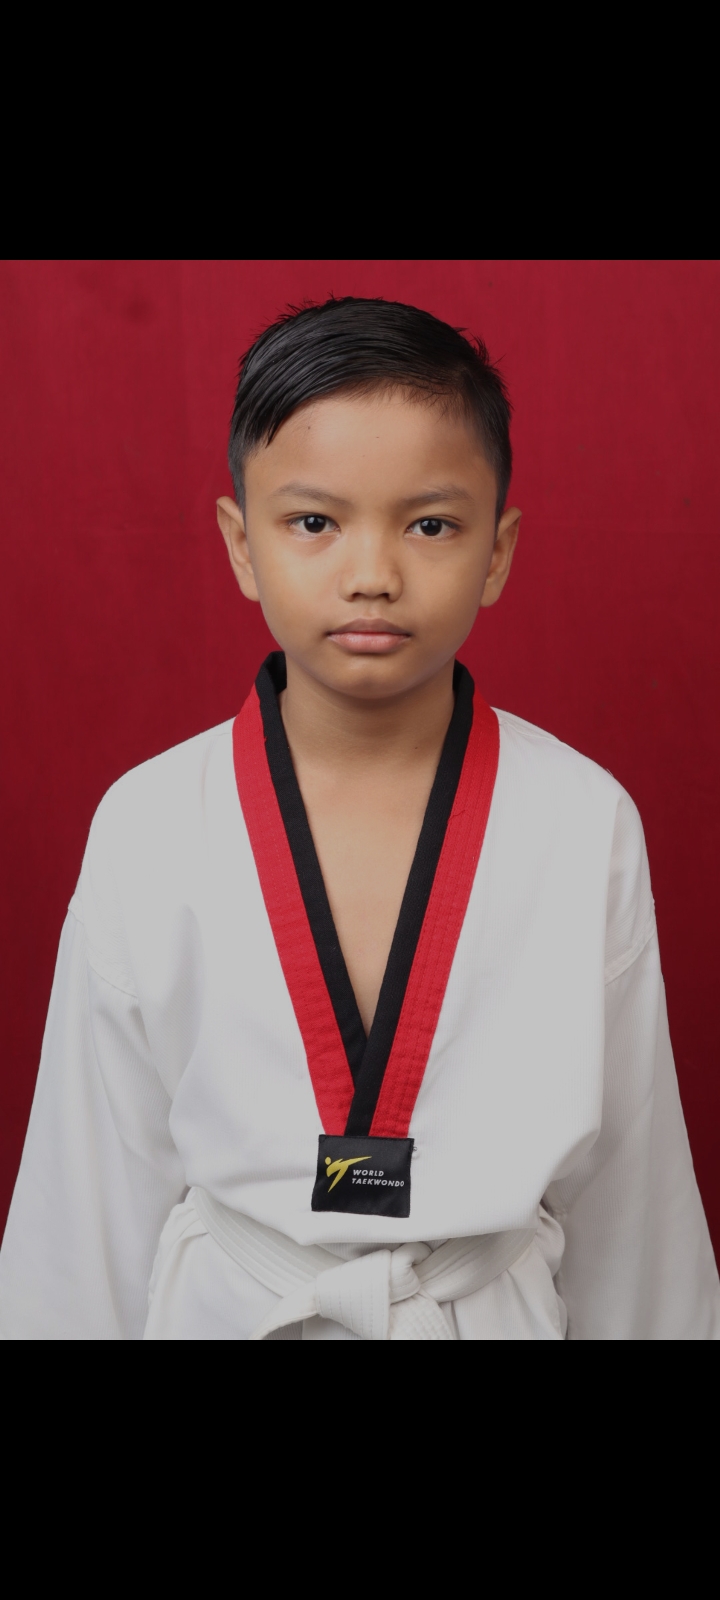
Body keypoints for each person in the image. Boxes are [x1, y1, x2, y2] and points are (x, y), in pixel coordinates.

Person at [1, 296, 718, 1340]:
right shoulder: (148, 822)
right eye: (314, 523)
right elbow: (87, 1190)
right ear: (242, 544)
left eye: (431, 524)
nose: (373, 575)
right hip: (236, 1307)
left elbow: (633, 1196)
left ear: (498, 550)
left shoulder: (583, 819)